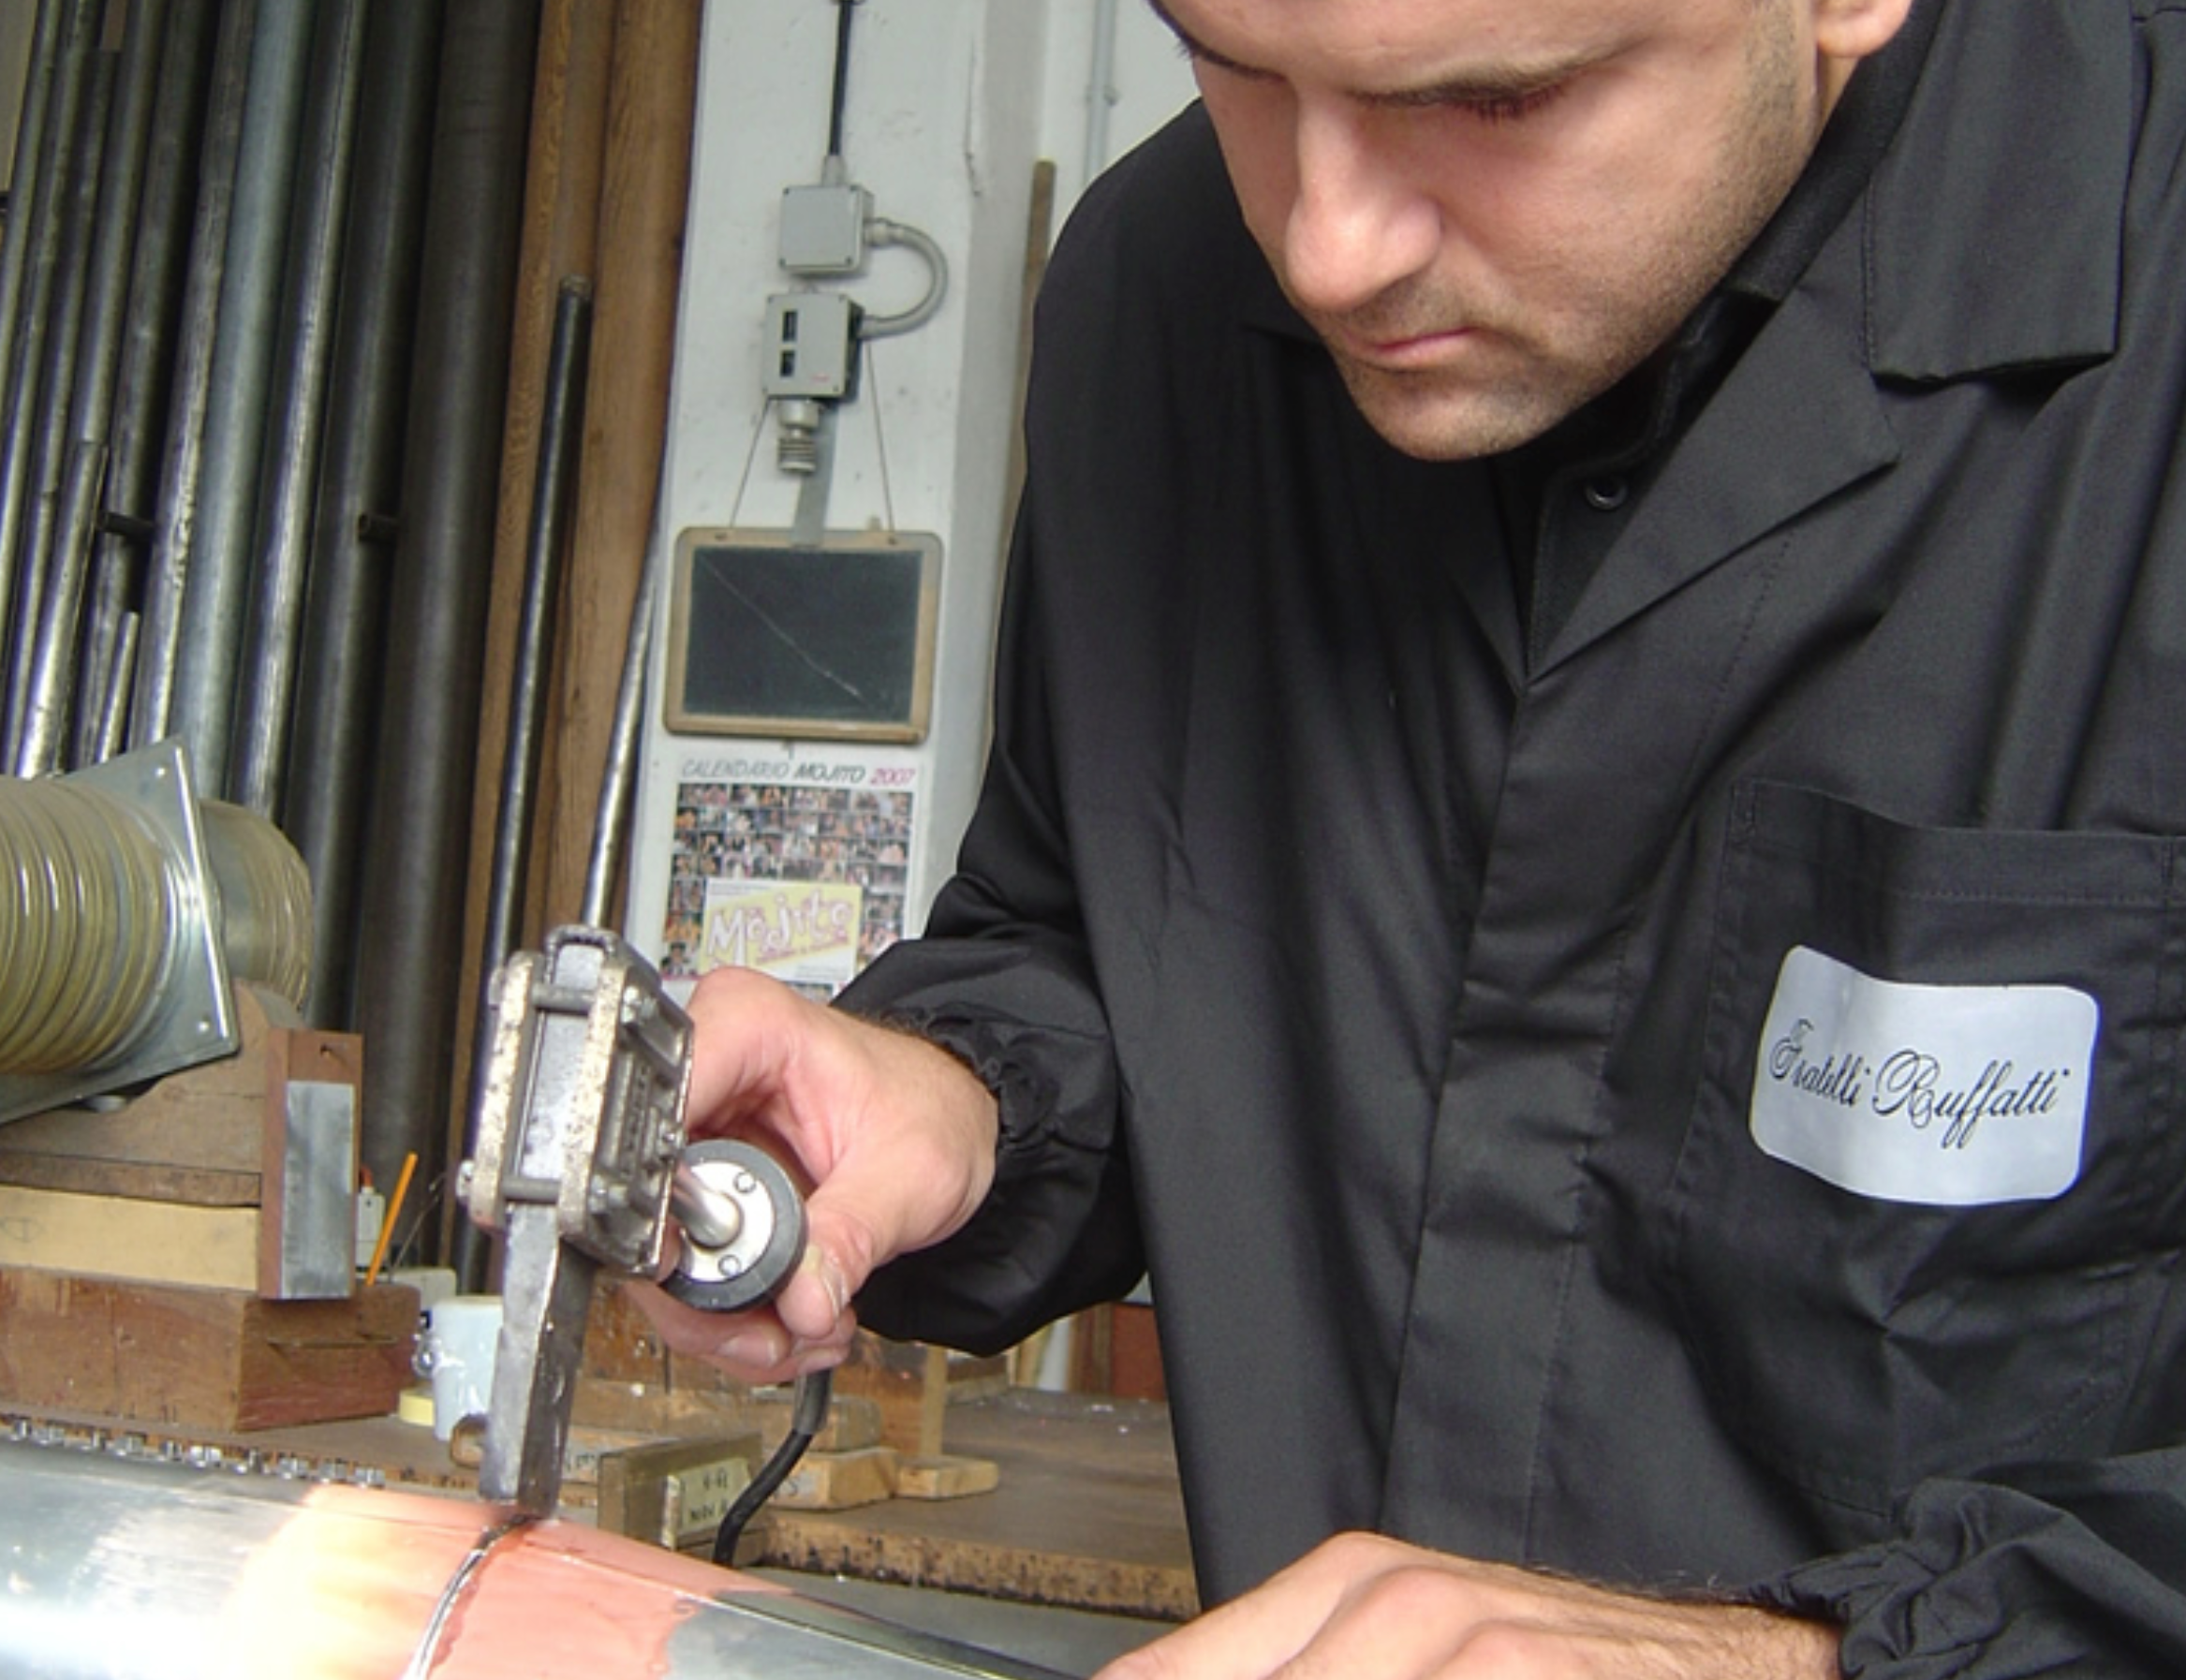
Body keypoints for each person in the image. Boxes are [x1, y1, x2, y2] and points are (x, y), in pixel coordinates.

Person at [633, 0, 2186, 1673]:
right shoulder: (1160, 294)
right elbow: (1108, 931)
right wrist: (962, 1090)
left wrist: (1787, 1659)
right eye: (1229, 68)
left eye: (1498, 102)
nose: (1326, 250)